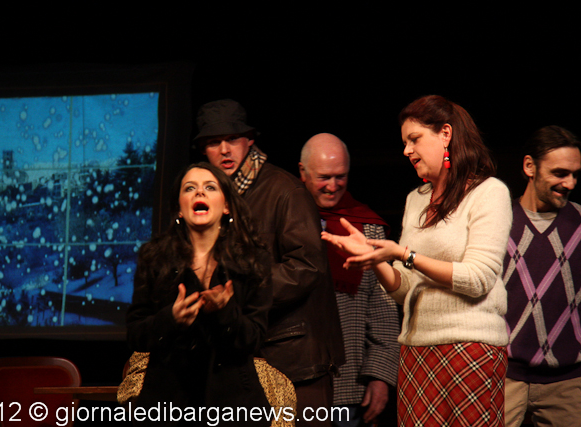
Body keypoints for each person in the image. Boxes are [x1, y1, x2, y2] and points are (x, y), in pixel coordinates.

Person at [321, 95, 512, 427]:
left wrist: (404, 254)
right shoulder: (416, 199)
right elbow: (403, 289)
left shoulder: (488, 193)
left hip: (470, 351)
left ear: (445, 134)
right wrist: (373, 256)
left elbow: (478, 279)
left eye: (414, 139)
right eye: (404, 143)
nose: (407, 150)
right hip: (417, 352)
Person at [196, 99, 345, 427]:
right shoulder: (210, 198)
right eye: (214, 142)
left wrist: (240, 290)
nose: (224, 150)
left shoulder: (285, 190)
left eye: (232, 139)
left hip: (295, 359)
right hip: (242, 358)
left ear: (249, 140)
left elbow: (307, 266)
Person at [126, 162, 274, 426]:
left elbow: (254, 338)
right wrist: (170, 319)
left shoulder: (252, 260)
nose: (199, 193)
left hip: (234, 407)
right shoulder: (154, 258)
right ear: (179, 208)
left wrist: (225, 313)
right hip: (168, 403)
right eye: (189, 188)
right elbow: (136, 333)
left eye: (210, 187)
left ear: (226, 206)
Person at [502, 125, 581, 427]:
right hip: (504, 375)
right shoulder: (497, 222)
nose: (570, 182)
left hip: (567, 382)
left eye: (575, 174)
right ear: (529, 166)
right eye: (560, 173)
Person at [298, 133, 400, 427]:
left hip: (349, 384)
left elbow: (383, 311)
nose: (333, 186)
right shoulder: (284, 222)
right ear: (303, 173)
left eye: (340, 176)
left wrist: (379, 376)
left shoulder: (367, 228)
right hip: (291, 378)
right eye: (324, 177)